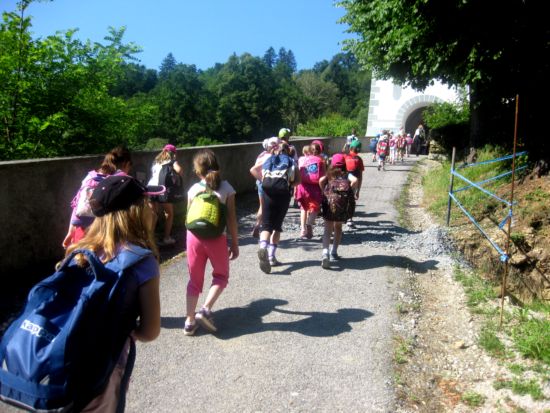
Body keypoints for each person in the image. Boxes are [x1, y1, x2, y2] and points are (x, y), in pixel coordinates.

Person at [66, 174, 162, 412]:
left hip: (64, 357)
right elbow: (150, 331)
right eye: (147, 202)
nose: (152, 207)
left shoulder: (77, 251)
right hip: (104, 369)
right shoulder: (142, 261)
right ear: (136, 211)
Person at [184, 149, 239, 336]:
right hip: (216, 238)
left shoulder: (193, 189)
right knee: (221, 276)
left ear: (197, 170)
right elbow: (231, 219)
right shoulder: (227, 188)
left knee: (194, 280)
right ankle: (205, 309)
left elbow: (188, 219)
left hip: (193, 237)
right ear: (217, 166)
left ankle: (189, 322)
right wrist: (235, 243)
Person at [63, 146, 132, 249]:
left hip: (82, 232)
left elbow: (77, 204)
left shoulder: (90, 177)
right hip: (105, 235)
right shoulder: (121, 182)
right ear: (126, 164)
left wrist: (71, 231)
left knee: (82, 257)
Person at [250, 141, 298, 273]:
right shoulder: (291, 161)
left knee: (266, 225)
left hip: (267, 193)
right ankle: (271, 257)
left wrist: (263, 181)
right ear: (288, 151)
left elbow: (252, 169)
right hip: (283, 195)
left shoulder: (268, 159)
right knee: (277, 226)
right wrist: (288, 185)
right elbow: (298, 181)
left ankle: (262, 246)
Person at [319, 154, 358, 269]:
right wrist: (350, 190)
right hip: (341, 206)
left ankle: (325, 253)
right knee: (338, 228)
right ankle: (334, 252)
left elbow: (321, 180)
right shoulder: (346, 174)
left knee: (327, 230)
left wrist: (324, 191)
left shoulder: (329, 174)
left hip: (329, 205)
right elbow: (355, 180)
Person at [148, 144, 183, 246]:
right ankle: (166, 238)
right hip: (162, 190)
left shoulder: (156, 161)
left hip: (150, 188)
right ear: (173, 153)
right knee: (169, 214)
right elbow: (180, 171)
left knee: (153, 214)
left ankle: (150, 239)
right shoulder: (172, 161)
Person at [250, 138, 279, 238]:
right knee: (272, 207)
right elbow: (253, 169)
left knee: (262, 206)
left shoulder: (261, 155)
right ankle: (269, 229)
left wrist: (260, 180)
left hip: (260, 182)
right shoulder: (271, 157)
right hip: (268, 182)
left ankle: (257, 225)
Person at [296, 141, 325, 239]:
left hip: (302, 186)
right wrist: (323, 189)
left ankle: (303, 229)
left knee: (303, 208)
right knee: (315, 208)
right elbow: (323, 177)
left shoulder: (302, 159)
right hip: (315, 187)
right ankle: (309, 223)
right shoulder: (321, 160)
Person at [344, 139, 364, 228]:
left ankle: (339, 217)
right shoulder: (359, 159)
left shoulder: (344, 157)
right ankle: (349, 219)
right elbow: (360, 176)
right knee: (351, 200)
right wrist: (358, 191)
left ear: (350, 148)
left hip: (343, 181)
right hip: (354, 183)